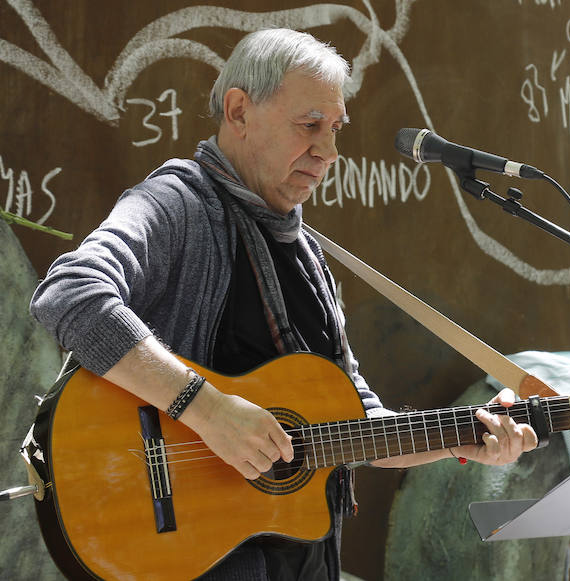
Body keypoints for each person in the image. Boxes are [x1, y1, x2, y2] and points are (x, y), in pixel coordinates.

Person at [30, 28, 538, 581]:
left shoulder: (308, 257)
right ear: (239, 111)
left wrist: (465, 437)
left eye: (335, 129)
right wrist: (208, 409)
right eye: (309, 125)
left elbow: (359, 425)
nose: (328, 153)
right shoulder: (176, 204)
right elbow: (70, 292)